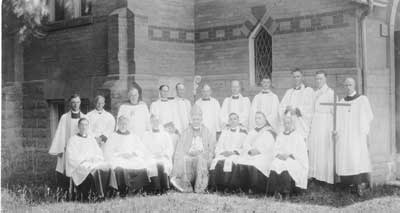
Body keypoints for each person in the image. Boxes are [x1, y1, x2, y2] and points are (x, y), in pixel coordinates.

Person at [334, 77, 373, 196]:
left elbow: (369, 116)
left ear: (354, 85)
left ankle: (360, 184)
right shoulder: (341, 102)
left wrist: (363, 130)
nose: (348, 87)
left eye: (350, 85)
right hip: (345, 136)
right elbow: (339, 120)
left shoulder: (362, 100)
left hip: (357, 135)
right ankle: (347, 184)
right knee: (346, 158)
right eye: (346, 85)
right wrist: (338, 132)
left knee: (357, 158)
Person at [103, 116, 158, 196]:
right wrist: (120, 155)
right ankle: (124, 189)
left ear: (128, 125)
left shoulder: (133, 136)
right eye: (121, 124)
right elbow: (108, 152)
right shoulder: (112, 136)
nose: (123, 126)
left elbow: (141, 148)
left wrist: (134, 153)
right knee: (120, 167)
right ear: (118, 124)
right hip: (119, 158)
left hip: (132, 157)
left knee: (142, 165)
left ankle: (138, 189)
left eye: (125, 124)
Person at [65, 118, 117, 202]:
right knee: (96, 171)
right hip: (80, 165)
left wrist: (95, 158)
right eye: (82, 125)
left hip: (93, 162)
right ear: (78, 126)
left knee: (108, 167)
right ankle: (98, 195)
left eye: (86, 125)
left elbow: (98, 152)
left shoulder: (91, 139)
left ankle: (111, 192)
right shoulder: (73, 140)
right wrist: (85, 159)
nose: (84, 127)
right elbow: (71, 157)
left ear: (88, 126)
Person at [170, 106, 216, 193]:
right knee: (184, 160)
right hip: (189, 156)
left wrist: (205, 154)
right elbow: (180, 149)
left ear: (201, 119)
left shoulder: (207, 131)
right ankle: (187, 186)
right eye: (194, 119)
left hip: (202, 156)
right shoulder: (186, 132)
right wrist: (187, 153)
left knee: (200, 160)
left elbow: (212, 147)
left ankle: (200, 187)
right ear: (191, 120)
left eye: (198, 119)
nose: (196, 122)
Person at [48, 94, 87, 197]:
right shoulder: (64, 117)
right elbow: (59, 133)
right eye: (73, 102)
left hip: (80, 150)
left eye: (77, 102)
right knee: (65, 170)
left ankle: (79, 193)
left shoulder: (84, 118)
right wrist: (59, 149)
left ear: (80, 103)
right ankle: (64, 193)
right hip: (66, 150)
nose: (75, 105)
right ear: (70, 103)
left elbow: (88, 135)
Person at [230, 112, 276, 194]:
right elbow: (246, 143)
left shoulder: (269, 131)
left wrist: (258, 151)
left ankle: (256, 189)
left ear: (265, 119)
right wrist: (249, 150)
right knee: (241, 161)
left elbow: (270, 147)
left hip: (263, 155)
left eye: (259, 118)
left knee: (256, 162)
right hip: (250, 153)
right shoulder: (252, 131)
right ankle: (240, 188)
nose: (257, 120)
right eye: (256, 118)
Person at [268, 114, 309, 198]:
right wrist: (278, 155)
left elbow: (301, 152)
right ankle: (274, 191)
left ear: (293, 124)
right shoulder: (280, 135)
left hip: (294, 159)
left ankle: (286, 192)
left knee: (287, 165)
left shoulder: (298, 136)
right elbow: (276, 148)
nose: (287, 125)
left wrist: (289, 155)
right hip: (281, 158)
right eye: (285, 123)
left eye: (289, 123)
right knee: (274, 164)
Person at [209, 113, 247, 191]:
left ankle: (228, 187)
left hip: (235, 155)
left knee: (229, 162)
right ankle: (215, 187)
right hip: (223, 153)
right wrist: (222, 152)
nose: (233, 121)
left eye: (235, 119)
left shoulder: (243, 133)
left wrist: (234, 152)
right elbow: (219, 145)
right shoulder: (224, 132)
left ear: (238, 120)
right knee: (216, 162)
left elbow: (244, 147)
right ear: (228, 121)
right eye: (231, 119)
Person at [308, 71, 335, 184]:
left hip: (325, 122)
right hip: (316, 121)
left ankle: (324, 177)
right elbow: (312, 109)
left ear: (325, 79)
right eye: (317, 79)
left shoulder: (330, 93)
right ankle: (315, 175)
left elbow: (333, 111)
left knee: (324, 148)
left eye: (321, 79)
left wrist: (332, 127)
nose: (318, 81)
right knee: (315, 146)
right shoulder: (315, 93)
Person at [142, 114, 174, 194]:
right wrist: (152, 155)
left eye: (157, 121)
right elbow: (143, 148)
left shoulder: (165, 134)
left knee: (162, 163)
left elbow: (170, 147)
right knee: (153, 164)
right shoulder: (146, 135)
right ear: (150, 122)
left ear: (159, 122)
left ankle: (165, 188)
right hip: (151, 157)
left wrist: (163, 154)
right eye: (153, 121)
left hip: (163, 156)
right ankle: (156, 188)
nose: (155, 123)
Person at [279, 69, 315, 138]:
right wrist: (286, 109)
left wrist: (297, 110)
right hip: (290, 122)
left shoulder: (309, 91)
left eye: (298, 76)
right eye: (294, 77)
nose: (296, 79)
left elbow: (310, 107)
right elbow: (282, 106)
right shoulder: (289, 92)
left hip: (300, 123)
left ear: (302, 77)